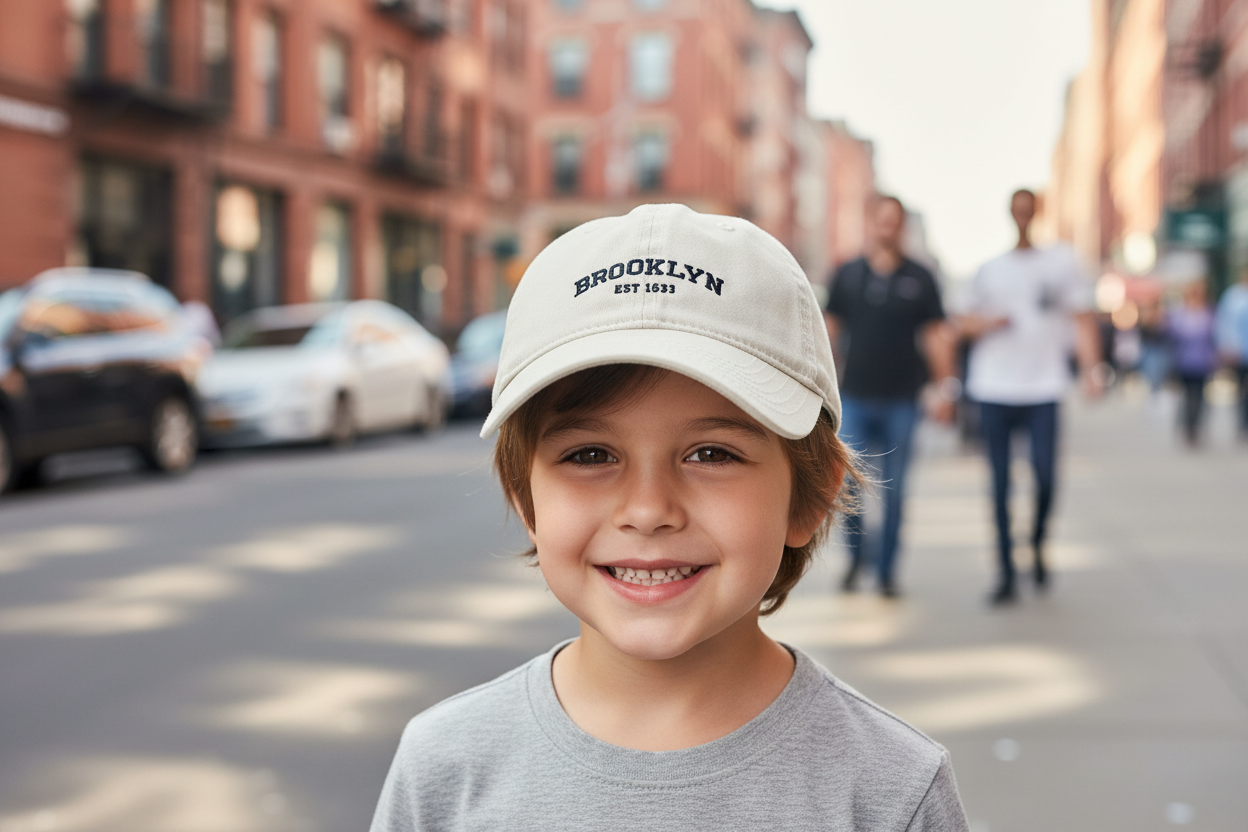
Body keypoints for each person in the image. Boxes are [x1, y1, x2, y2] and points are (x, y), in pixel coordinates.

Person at [370, 204, 970, 831]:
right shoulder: (443, 771)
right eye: (590, 455)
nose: (649, 510)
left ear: (810, 496)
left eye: (712, 453)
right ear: (527, 502)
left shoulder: (893, 792)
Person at [958, 189, 1102, 606]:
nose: (1022, 216)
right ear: (1009, 215)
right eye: (1016, 211)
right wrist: (987, 323)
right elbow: (961, 324)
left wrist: (1092, 371)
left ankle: (1037, 543)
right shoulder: (988, 270)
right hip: (995, 389)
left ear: (1036, 213)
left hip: (1044, 388)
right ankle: (1005, 571)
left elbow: (1082, 321)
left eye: (1028, 210)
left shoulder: (1061, 265)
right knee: (1000, 485)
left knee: (1045, 478)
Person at [824, 195, 958, 598]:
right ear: (870, 223)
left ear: (902, 227)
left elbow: (936, 335)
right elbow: (828, 331)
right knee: (847, 486)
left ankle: (886, 572)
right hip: (856, 399)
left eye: (894, 222)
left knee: (897, 490)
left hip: (903, 399)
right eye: (880, 220)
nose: (887, 228)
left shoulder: (920, 277)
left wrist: (945, 388)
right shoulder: (847, 274)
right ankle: (856, 557)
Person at [1167, 280, 1218, 446]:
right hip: (1184, 362)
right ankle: (1188, 426)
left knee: (1200, 396)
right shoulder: (1180, 314)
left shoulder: (1208, 313)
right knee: (1188, 396)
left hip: (1203, 362)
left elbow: (1214, 337)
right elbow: (1172, 335)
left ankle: (1196, 426)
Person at [1215, 268, 1248, 438]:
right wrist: (1226, 347)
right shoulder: (1233, 297)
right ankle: (1242, 422)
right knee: (1241, 388)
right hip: (1239, 353)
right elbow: (1225, 323)